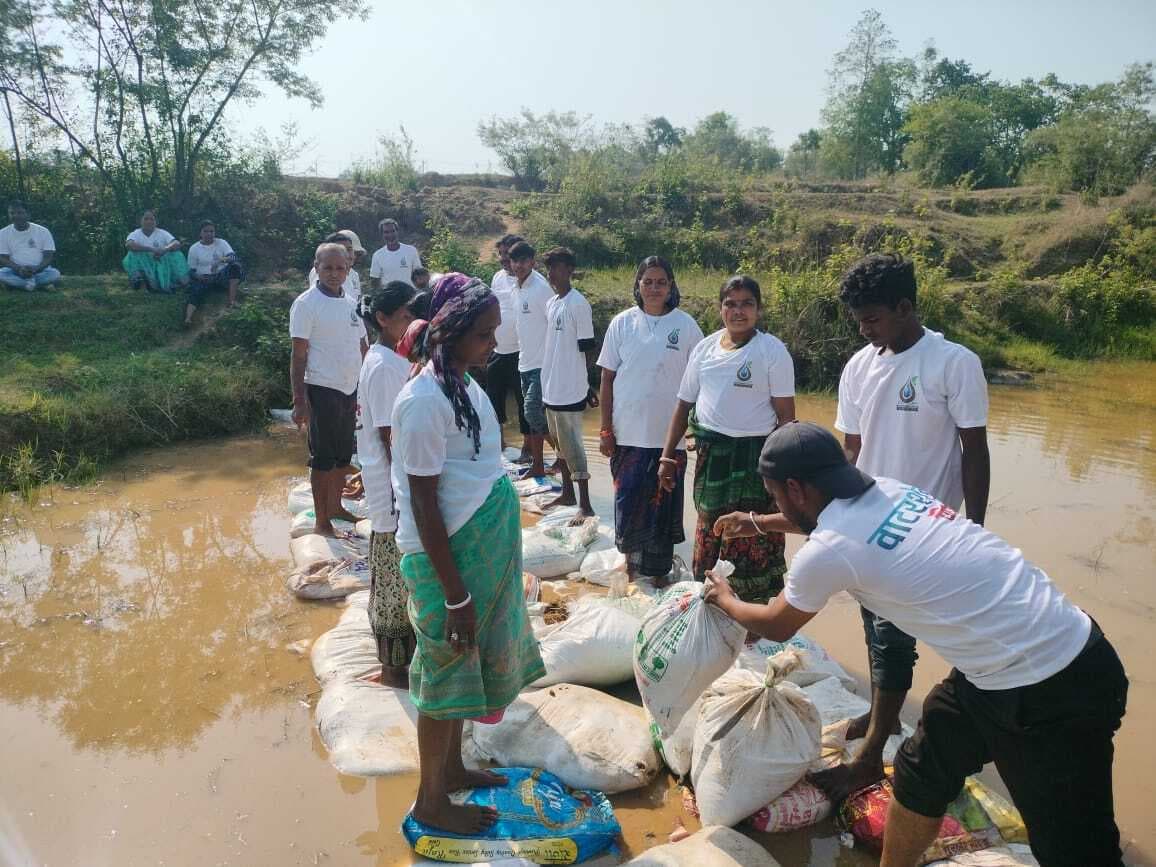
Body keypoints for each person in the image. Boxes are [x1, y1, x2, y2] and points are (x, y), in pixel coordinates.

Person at [707, 422, 1128, 867]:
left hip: (1054, 684)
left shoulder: (829, 550)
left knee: (1077, 851)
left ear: (795, 488)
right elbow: (828, 524)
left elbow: (776, 625)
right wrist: (757, 522)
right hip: (1005, 665)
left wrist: (725, 597)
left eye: (773, 495)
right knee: (921, 771)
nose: (774, 503)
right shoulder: (888, 490)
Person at [808, 252, 993, 803]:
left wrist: (975, 527)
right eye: (859, 321)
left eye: (873, 319)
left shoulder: (953, 363)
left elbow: (974, 451)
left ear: (905, 307)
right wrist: (836, 514)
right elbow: (851, 449)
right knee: (879, 628)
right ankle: (883, 714)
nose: (865, 331)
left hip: (925, 527)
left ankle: (874, 756)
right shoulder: (860, 366)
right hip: (869, 519)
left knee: (906, 634)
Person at [391, 273, 545, 834]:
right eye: (484, 334)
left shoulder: (464, 384)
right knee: (443, 671)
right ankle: (430, 803)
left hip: (477, 557)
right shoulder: (423, 400)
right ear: (452, 331)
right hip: (445, 565)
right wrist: (455, 594)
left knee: (466, 667)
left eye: (495, 333)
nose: (492, 344)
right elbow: (425, 504)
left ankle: (453, 768)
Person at [658, 275, 796, 603]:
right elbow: (683, 404)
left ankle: (755, 615)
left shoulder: (772, 351)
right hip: (711, 458)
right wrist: (666, 458)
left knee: (756, 531)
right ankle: (710, 603)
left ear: (758, 310)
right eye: (730, 304)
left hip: (757, 459)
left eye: (747, 303)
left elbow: (787, 420)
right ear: (720, 308)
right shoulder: (705, 349)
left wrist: (780, 474)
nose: (738, 311)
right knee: (711, 526)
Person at [598, 256, 704, 581]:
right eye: (648, 282)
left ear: (671, 286)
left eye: (661, 282)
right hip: (627, 433)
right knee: (628, 501)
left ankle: (659, 573)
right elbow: (606, 379)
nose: (654, 288)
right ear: (638, 285)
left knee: (663, 506)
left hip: (667, 439)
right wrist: (605, 429)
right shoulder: (622, 323)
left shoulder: (686, 326)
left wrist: (695, 429)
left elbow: (702, 381)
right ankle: (630, 566)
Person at [355, 281, 417, 687]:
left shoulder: (392, 361)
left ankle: (403, 663)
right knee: (393, 579)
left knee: (401, 576)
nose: (413, 323)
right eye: (406, 315)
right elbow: (389, 436)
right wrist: (409, 491)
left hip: (396, 490)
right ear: (383, 318)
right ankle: (393, 668)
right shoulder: (383, 367)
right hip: (392, 494)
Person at [289, 242, 369, 537]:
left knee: (343, 454)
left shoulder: (351, 303)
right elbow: (299, 355)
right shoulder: (306, 304)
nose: (334, 274)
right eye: (328, 268)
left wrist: (367, 384)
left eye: (340, 268)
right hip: (322, 388)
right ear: (316, 268)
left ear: (348, 269)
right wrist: (299, 401)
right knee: (322, 458)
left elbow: (363, 345)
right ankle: (321, 520)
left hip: (349, 388)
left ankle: (336, 507)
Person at [540, 246, 598, 517]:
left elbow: (588, 349)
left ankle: (585, 505)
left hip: (569, 390)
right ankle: (566, 494)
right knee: (559, 446)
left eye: (557, 267)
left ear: (570, 271)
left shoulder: (578, 304)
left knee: (574, 446)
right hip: (550, 386)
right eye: (549, 268)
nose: (551, 273)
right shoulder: (552, 304)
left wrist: (585, 386)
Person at [509, 241, 555, 477]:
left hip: (542, 363)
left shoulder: (540, 288)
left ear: (532, 262)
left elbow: (554, 323)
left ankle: (563, 457)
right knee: (533, 417)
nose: (518, 265)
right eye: (514, 261)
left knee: (532, 412)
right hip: (524, 361)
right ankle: (539, 465)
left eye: (523, 261)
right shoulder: (516, 287)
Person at [485, 235, 530, 459]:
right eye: (501, 254)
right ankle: (499, 445)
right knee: (493, 401)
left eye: (508, 255)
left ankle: (528, 450)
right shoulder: (497, 278)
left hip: (522, 353)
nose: (504, 259)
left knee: (525, 405)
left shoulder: (530, 281)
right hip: (497, 351)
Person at [184, 220, 243, 326]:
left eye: (211, 231)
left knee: (235, 266)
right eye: (206, 231)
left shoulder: (222, 243)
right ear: (200, 233)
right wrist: (198, 277)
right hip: (204, 278)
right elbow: (191, 271)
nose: (209, 234)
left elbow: (233, 257)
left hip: (221, 276)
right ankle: (188, 318)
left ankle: (231, 302)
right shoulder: (194, 248)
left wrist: (219, 261)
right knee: (195, 291)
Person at [122, 210, 188, 293]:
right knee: (132, 254)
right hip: (144, 265)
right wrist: (151, 249)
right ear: (140, 221)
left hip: (161, 263)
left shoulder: (162, 233)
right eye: (146, 219)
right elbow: (129, 245)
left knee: (176, 254)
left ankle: (180, 280)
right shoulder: (135, 233)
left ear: (156, 221)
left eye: (152, 219)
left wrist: (165, 249)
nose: (149, 221)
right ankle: (140, 282)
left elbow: (176, 243)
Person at [0, 201, 60, 291]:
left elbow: (48, 256)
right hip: (15, 271)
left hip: (40, 270)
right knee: (2, 274)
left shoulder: (43, 231)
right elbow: (3, 258)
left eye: (20, 213)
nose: (16, 216)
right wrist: (19, 269)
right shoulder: (3, 233)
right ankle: (39, 285)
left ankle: (19, 285)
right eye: (12, 213)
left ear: (28, 215)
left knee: (54, 273)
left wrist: (36, 269)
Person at [309, 231, 363, 301]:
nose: (348, 254)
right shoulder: (321, 271)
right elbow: (317, 299)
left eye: (349, 249)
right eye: (341, 250)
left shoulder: (354, 275)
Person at [369, 218, 422, 289]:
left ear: (397, 232)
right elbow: (374, 282)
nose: (390, 235)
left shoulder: (411, 251)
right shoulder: (377, 255)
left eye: (393, 231)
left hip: (410, 297)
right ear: (382, 234)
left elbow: (419, 276)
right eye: (386, 232)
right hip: (389, 298)